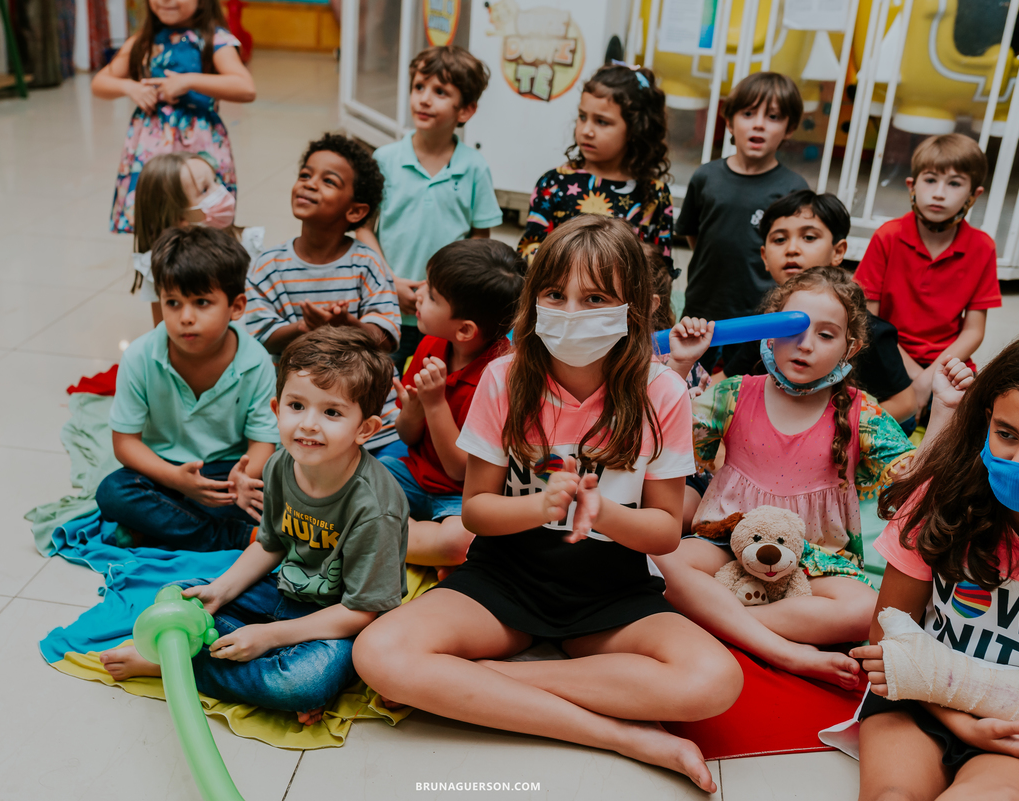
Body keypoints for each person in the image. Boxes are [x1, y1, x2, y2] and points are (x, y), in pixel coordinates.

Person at [352, 216, 743, 793]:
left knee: (715, 681)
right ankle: (622, 735)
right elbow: (477, 511)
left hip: (611, 588)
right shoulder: (504, 378)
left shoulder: (662, 391)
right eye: (555, 294)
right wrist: (540, 507)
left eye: (595, 298)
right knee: (379, 653)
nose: (570, 311)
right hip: (504, 577)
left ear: (636, 307)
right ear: (532, 301)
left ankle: (480, 684)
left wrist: (602, 513)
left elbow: (665, 532)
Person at [100, 327, 410, 727]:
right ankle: (240, 664)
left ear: (365, 428)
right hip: (283, 592)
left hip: (341, 621)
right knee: (180, 596)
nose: (308, 425)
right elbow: (270, 545)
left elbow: (363, 611)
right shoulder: (282, 464)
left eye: (331, 412)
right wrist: (219, 590)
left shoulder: (375, 505)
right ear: (276, 407)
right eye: (297, 406)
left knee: (303, 685)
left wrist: (269, 637)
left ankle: (175, 666)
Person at [654, 266, 915, 689]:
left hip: (813, 559)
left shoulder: (860, 412)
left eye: (826, 335)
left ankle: (726, 619)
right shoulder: (733, 392)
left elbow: (915, 476)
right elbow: (662, 440)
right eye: (793, 330)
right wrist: (680, 365)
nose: (806, 345)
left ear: (851, 347)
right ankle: (782, 647)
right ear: (768, 331)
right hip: (728, 541)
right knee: (659, 559)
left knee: (867, 611)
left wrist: (944, 410)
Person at [852, 324, 1019, 801]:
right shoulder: (940, 499)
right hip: (919, 703)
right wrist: (964, 723)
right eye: (1006, 434)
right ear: (985, 422)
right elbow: (885, 639)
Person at [96, 226, 279, 551]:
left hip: (228, 472)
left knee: (281, 496)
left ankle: (165, 526)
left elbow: (263, 443)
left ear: (236, 307)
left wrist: (242, 477)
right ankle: (232, 536)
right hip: (162, 470)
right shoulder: (140, 356)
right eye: (173, 303)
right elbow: (125, 444)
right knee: (113, 493)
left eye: (202, 302)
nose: (186, 317)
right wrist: (176, 479)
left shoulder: (256, 361)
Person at [244, 133, 403, 455]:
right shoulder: (268, 266)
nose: (309, 184)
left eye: (328, 181)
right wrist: (304, 330)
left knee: (389, 486)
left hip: (374, 425)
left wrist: (346, 326)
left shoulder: (367, 263)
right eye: (305, 175)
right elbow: (259, 335)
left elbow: (386, 336)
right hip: (302, 422)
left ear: (356, 211)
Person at [356, 46, 503, 373]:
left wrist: (443, 290)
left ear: (465, 110)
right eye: (418, 87)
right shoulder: (385, 159)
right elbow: (364, 227)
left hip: (444, 313)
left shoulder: (475, 168)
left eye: (440, 92)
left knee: (433, 384)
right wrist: (389, 280)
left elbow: (480, 240)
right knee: (375, 378)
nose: (423, 99)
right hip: (386, 303)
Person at [384, 239, 524, 577]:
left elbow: (459, 472)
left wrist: (434, 405)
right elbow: (406, 435)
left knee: (461, 540)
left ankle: (376, 538)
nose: (418, 294)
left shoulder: (503, 376)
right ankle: (420, 550)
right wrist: (414, 408)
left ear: (464, 329)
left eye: (432, 296)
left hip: (462, 497)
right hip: (413, 474)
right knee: (353, 481)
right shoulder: (432, 344)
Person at [721, 190, 916, 427]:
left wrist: (840, 432)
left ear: (838, 251)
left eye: (809, 237)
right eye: (779, 239)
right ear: (764, 256)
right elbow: (722, 383)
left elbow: (906, 403)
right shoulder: (767, 322)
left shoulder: (867, 329)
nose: (792, 249)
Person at [854, 133, 1000, 417]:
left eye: (955, 183)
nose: (939, 193)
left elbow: (973, 331)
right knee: (869, 417)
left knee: (975, 423)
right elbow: (868, 320)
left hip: (948, 364)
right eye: (930, 180)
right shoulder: (888, 237)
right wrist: (915, 381)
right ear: (912, 185)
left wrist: (929, 379)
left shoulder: (983, 247)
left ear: (975, 195)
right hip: (887, 357)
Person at [674, 71, 809, 371]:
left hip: (758, 318)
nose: (759, 123)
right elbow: (696, 236)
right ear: (730, 120)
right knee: (690, 384)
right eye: (748, 113)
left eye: (773, 116)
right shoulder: (705, 177)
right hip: (701, 311)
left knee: (744, 392)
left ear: (789, 128)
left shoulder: (793, 189)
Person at [92, 0, 255, 234]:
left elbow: (246, 87)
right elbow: (100, 83)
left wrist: (188, 80)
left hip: (198, 143)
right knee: (156, 216)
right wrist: (130, 88)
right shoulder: (143, 40)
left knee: (201, 218)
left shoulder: (215, 40)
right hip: (151, 147)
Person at [516, 63, 676, 276]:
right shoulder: (554, 183)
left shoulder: (655, 195)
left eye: (602, 122)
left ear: (636, 129)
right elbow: (528, 251)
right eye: (582, 117)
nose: (587, 130)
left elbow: (660, 270)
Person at [132, 152, 267, 326]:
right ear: (178, 217)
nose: (219, 191)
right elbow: (162, 331)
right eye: (204, 190)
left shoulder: (247, 243)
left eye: (215, 181)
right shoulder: (162, 265)